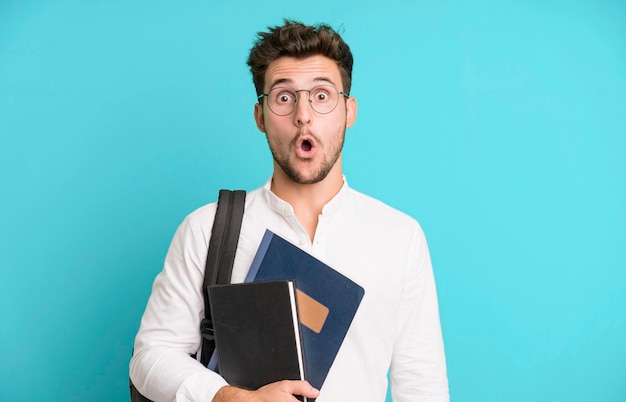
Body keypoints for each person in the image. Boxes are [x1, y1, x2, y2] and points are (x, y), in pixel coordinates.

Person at [130, 19, 449, 402]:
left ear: (349, 111)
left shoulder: (400, 237)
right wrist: (230, 398)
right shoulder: (207, 229)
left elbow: (422, 387)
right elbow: (151, 356)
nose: (303, 115)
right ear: (260, 117)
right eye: (284, 97)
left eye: (321, 95)